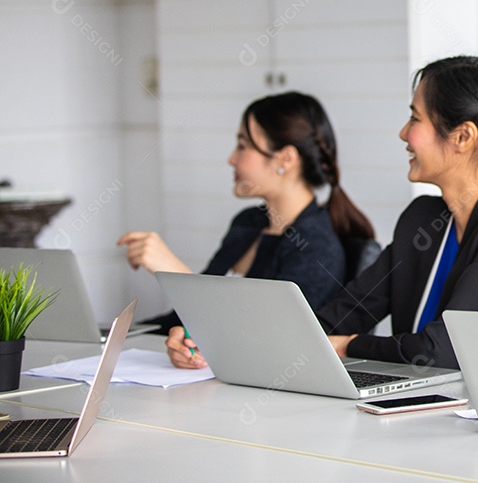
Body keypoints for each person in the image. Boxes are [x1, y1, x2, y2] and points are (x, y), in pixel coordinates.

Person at [313, 55, 478, 371]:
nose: (404, 133)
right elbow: (347, 312)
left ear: (462, 137)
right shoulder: (422, 217)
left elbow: (444, 351)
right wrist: (300, 338)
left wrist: (350, 346)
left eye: (415, 119)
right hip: (425, 401)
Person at [119, 92, 376, 358]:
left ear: (285, 158)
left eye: (243, 145)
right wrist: (118, 336)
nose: (232, 158)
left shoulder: (317, 246)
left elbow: (266, 341)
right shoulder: (248, 223)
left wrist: (175, 274)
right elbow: (186, 320)